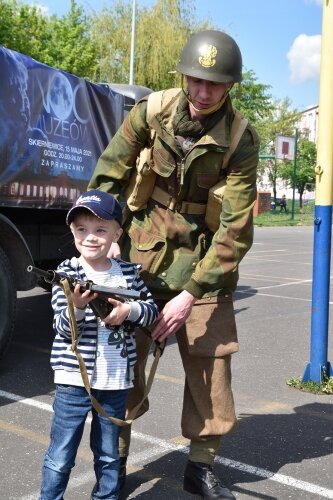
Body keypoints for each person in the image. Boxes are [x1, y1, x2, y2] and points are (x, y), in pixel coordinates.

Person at [88, 30, 259, 500]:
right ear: (183, 76)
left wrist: (191, 293)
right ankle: (113, 463)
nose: (204, 93)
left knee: (211, 369)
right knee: (121, 367)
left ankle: (200, 467)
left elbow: (237, 228)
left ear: (230, 87)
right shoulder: (152, 111)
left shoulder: (241, 139)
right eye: (197, 81)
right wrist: (107, 240)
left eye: (216, 85)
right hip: (139, 260)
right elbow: (108, 175)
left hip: (206, 268)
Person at [39, 189, 158, 500]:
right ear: (72, 231)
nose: (90, 237)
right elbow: (62, 329)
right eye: (82, 229)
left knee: (108, 455)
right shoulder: (66, 274)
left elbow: (150, 311)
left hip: (116, 382)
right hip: (73, 382)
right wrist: (77, 306)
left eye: (100, 229)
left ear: (117, 234)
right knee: (61, 455)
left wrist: (127, 311)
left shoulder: (129, 274)